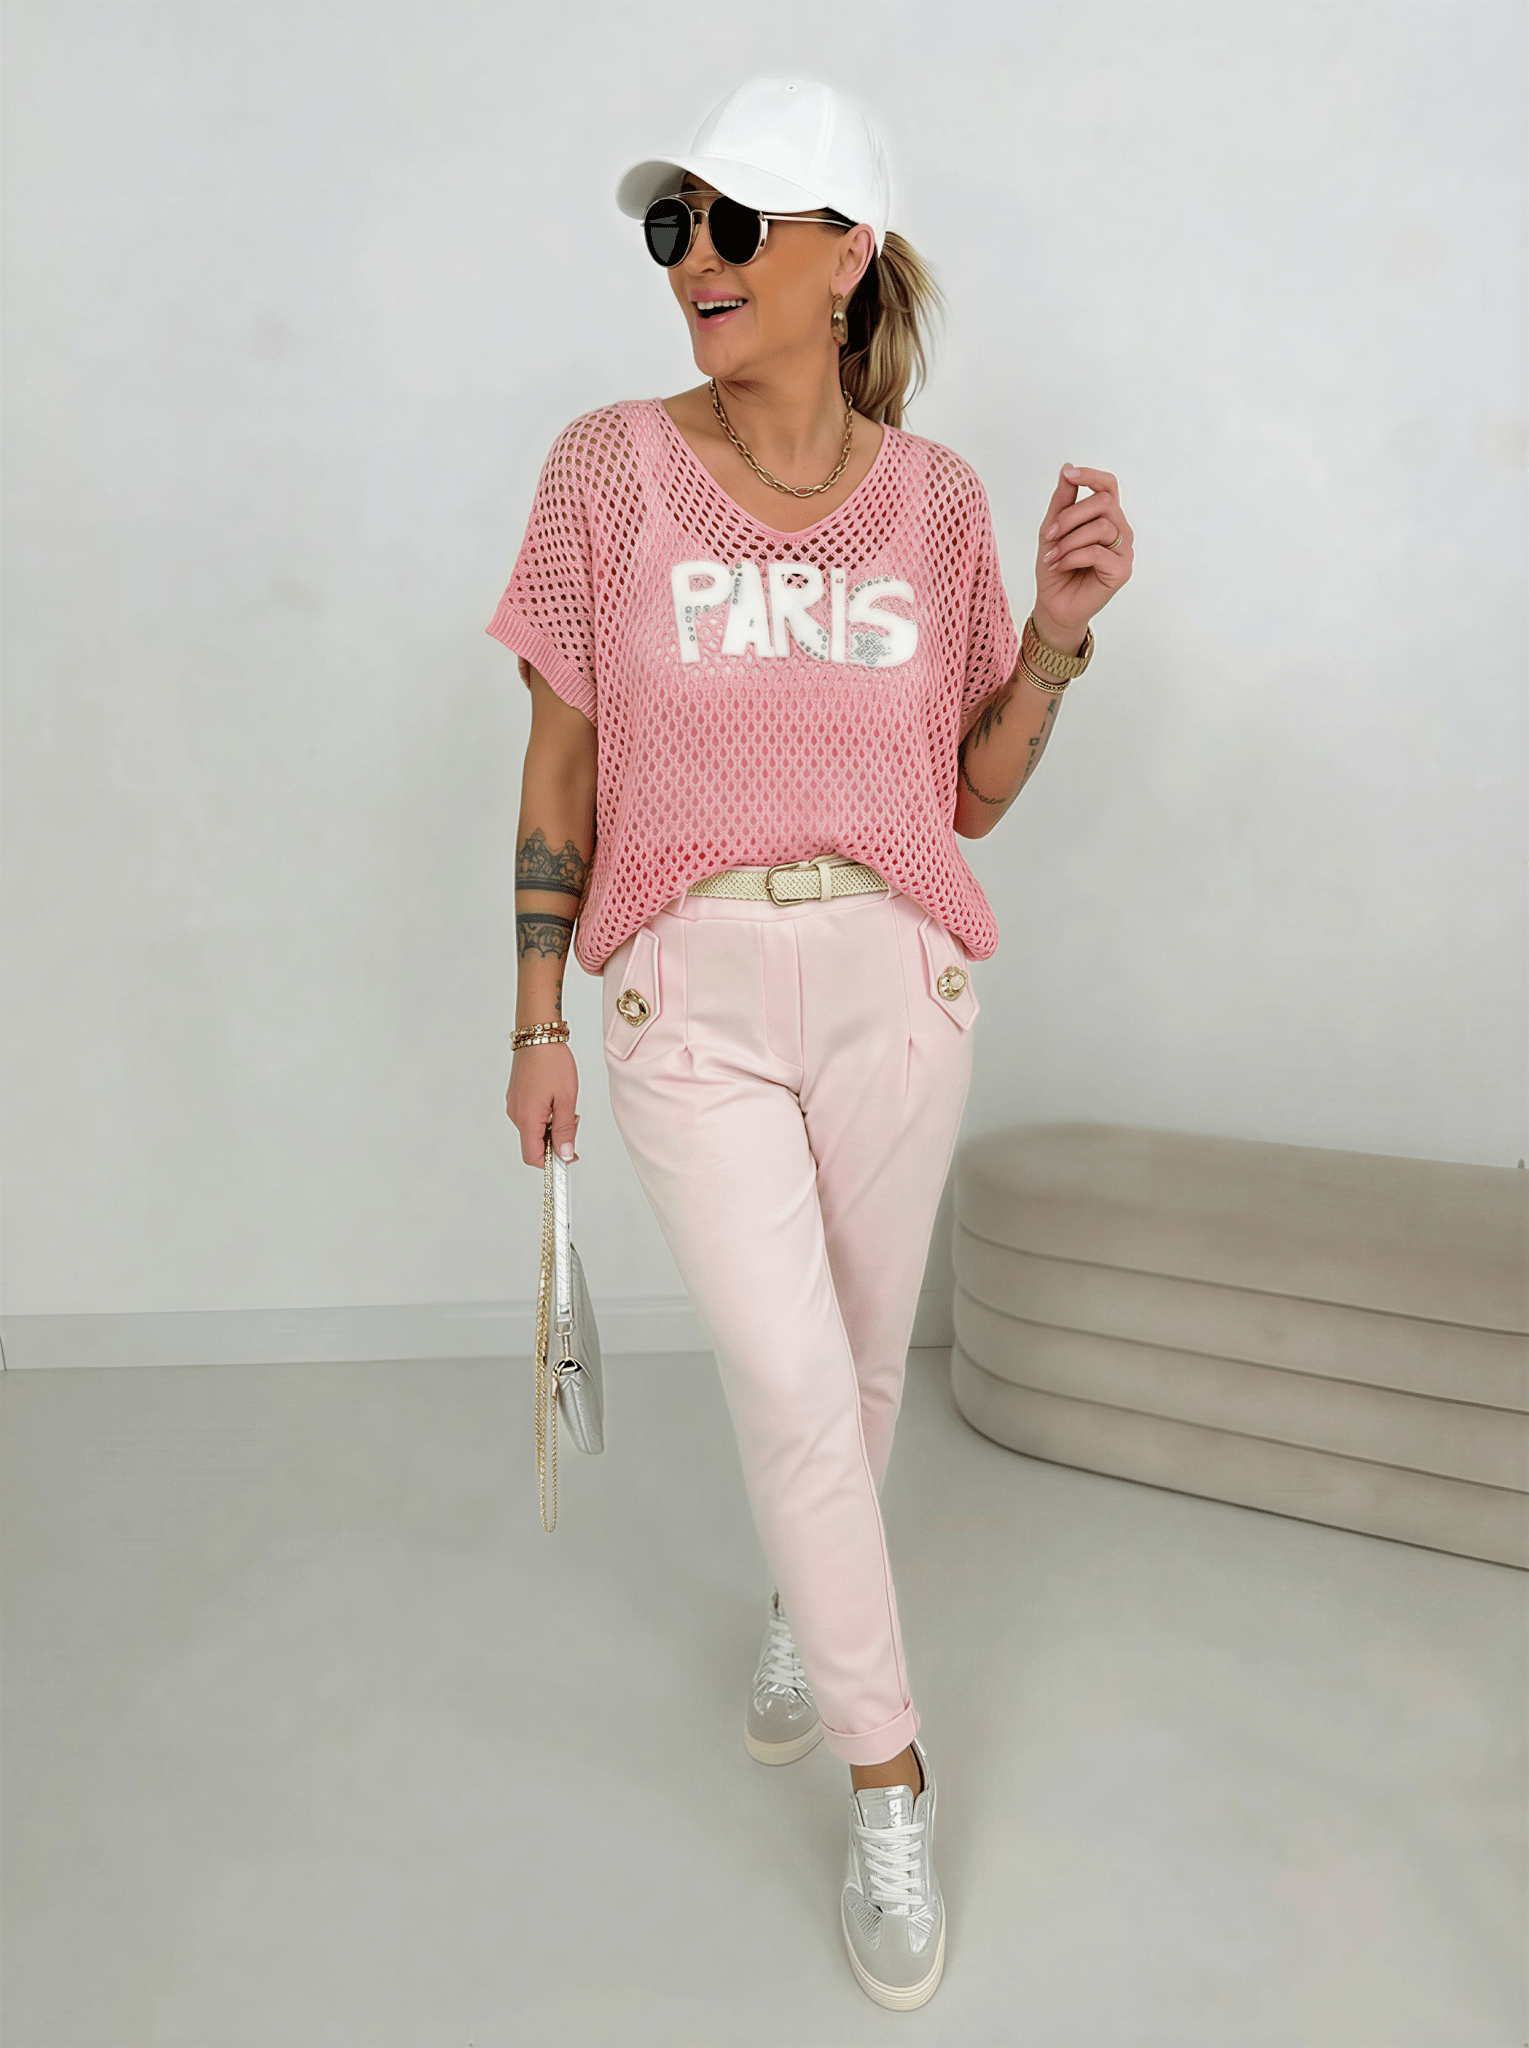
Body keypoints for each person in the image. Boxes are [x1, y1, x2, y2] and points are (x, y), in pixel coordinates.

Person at [488, 75, 1132, 2012]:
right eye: (670, 225)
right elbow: (559, 767)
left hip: (892, 981)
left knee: (847, 1376)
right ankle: (889, 1775)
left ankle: (808, 1608)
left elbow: (970, 797)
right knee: (787, 1380)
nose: (692, 258)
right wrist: (533, 1015)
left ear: (846, 255)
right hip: (682, 989)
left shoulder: (930, 501)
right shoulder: (607, 471)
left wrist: (1055, 637)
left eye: (732, 224)